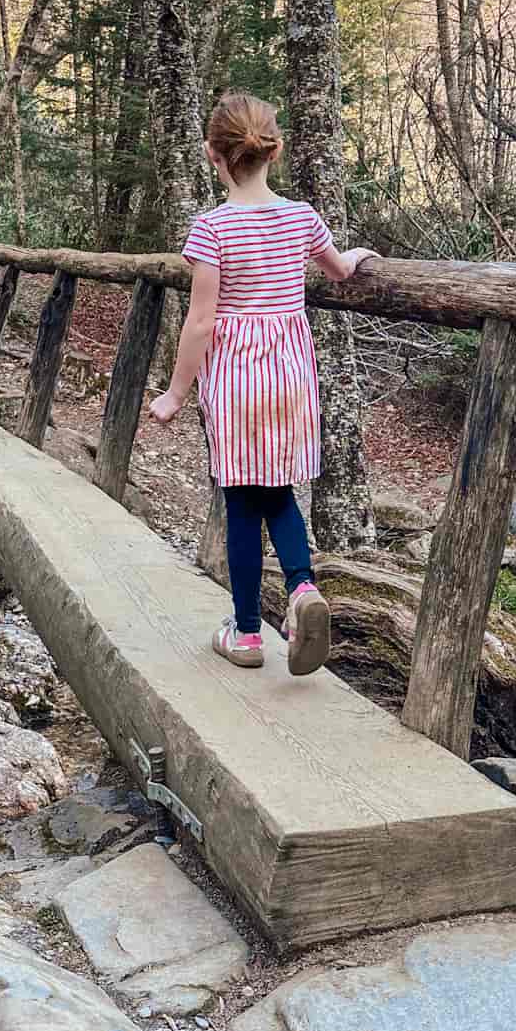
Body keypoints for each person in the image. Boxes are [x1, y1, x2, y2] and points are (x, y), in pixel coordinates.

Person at [147, 91, 372, 675]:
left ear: (212, 155)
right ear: (274, 150)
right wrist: (356, 257)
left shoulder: (212, 230)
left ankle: (247, 633)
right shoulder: (301, 217)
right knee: (280, 491)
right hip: (290, 374)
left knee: (243, 500)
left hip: (236, 379)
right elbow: (340, 270)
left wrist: (175, 393)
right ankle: (301, 588)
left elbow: (200, 321)